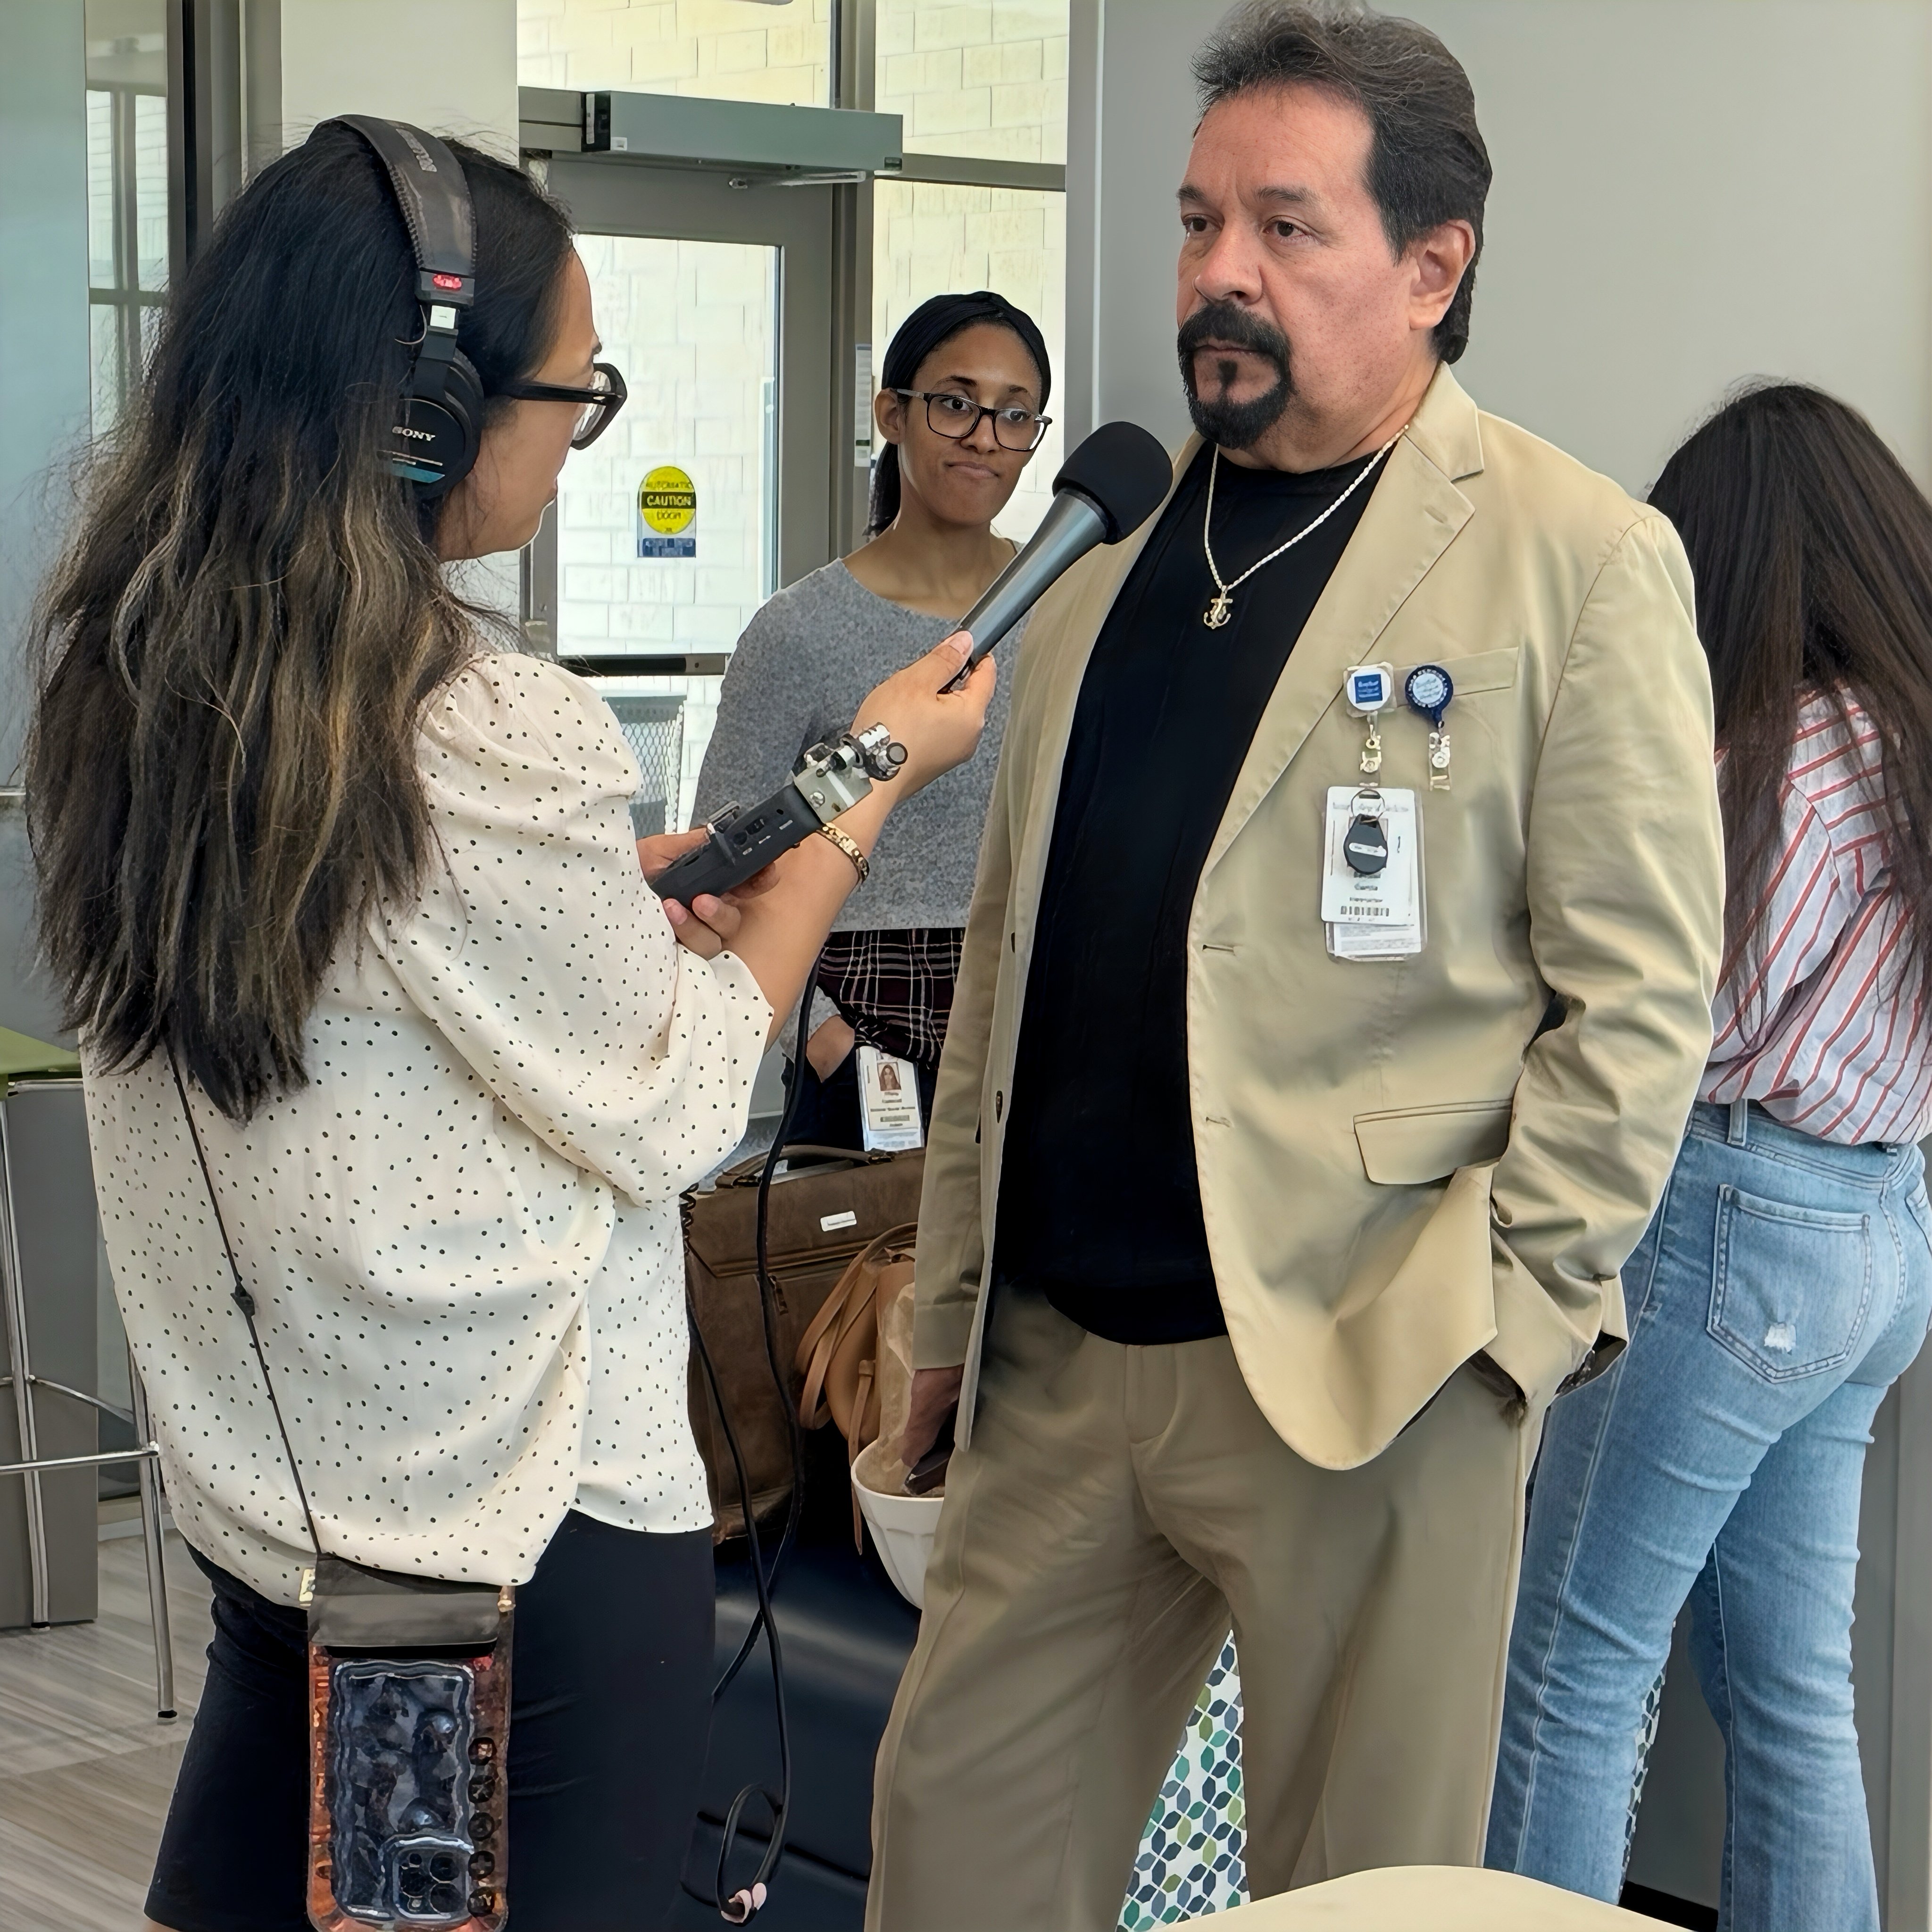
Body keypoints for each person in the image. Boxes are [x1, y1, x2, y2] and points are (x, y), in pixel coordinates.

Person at [25, 120, 991, 1932]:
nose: (569, 437)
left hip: (291, 1519)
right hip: (515, 1535)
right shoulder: (487, 722)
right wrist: (860, 799)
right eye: (573, 392)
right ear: (425, 411)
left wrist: (585, 896)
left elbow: (364, 959)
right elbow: (685, 1102)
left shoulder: (138, 676)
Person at [866, 6, 1726, 1926]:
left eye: (1282, 225)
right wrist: (947, 1306)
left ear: (1431, 266)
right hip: (1057, 1363)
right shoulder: (1100, 550)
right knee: (952, 1852)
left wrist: (1502, 1325)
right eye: (1196, 223)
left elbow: (1641, 995)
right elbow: (1007, 956)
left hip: (1371, 1363)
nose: (1218, 273)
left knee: (1363, 1897)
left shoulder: (1573, 556)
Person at [1487, 384, 1932, 1931]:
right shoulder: (1908, 741)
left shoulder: (1797, 756)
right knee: (1793, 1684)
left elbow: (1689, 1017)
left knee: (1570, 1660)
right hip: (1877, 1228)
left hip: (1735, 1224)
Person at [692, 291, 1050, 1147]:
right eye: (956, 403)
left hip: (1031, 1012)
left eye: (1015, 415)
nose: (985, 437)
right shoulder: (798, 629)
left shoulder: (1062, 608)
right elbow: (722, 854)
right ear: (893, 413)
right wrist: (820, 1036)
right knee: (860, 1243)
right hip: (861, 1026)